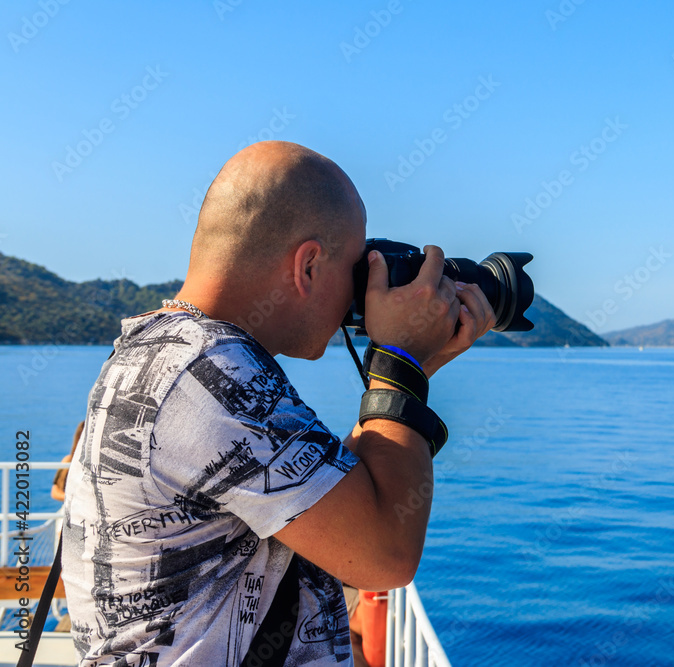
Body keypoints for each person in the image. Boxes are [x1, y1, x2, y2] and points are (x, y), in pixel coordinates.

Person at [61, 141, 495, 666]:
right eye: (356, 268)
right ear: (309, 265)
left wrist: (410, 367)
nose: (357, 297)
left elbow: (334, 509)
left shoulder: (161, 351)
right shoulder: (211, 373)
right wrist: (399, 363)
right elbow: (384, 554)